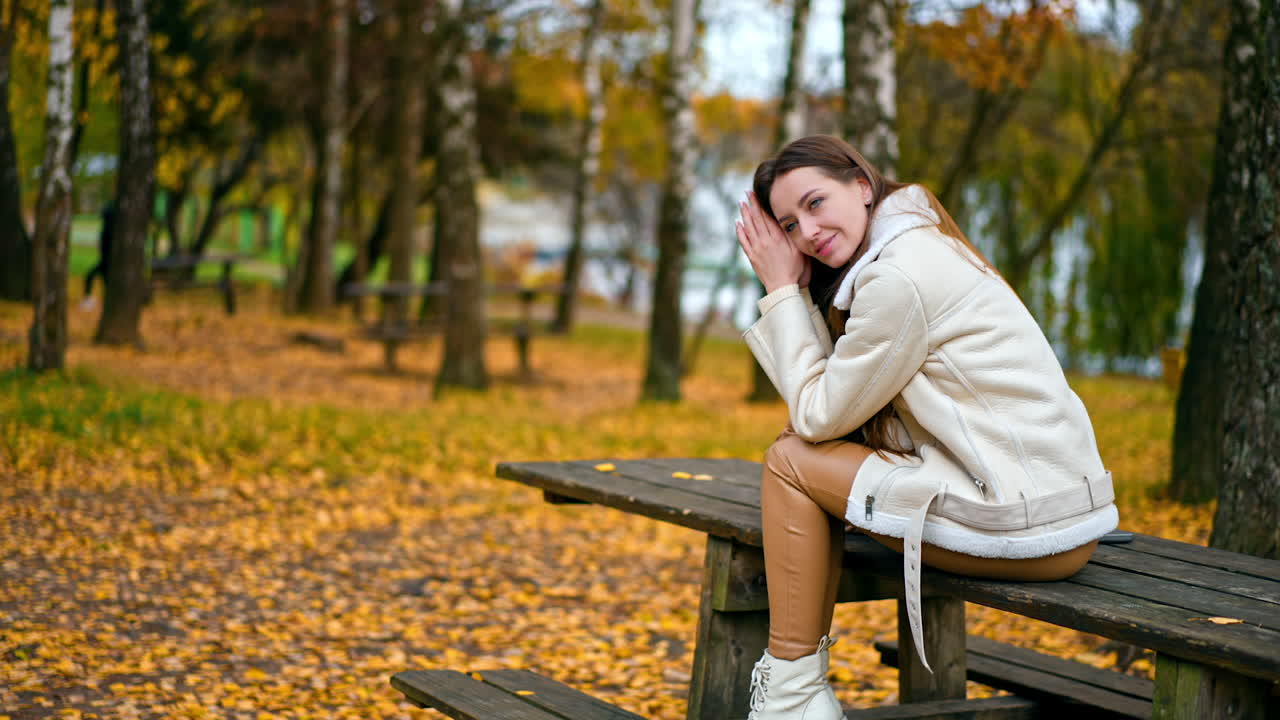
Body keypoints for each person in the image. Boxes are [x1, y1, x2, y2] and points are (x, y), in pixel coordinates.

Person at [734, 135, 1117, 720]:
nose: (805, 233)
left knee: (790, 461)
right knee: (797, 457)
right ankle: (795, 695)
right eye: (787, 225)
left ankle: (791, 698)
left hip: (1025, 523)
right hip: (1054, 509)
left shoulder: (898, 279)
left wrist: (783, 289)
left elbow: (815, 416)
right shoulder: (917, 246)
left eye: (814, 203)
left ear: (861, 186)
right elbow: (830, 412)